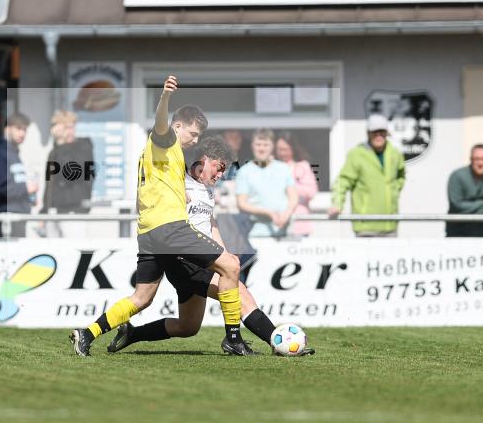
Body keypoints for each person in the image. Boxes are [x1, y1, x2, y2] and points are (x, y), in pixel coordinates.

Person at [69, 75, 248, 356]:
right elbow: (161, 123)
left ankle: (86, 334)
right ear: (178, 126)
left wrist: (181, 193)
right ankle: (234, 339)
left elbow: (152, 187)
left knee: (142, 298)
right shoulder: (165, 140)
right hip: (170, 228)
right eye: (193, 133)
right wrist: (165, 97)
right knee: (232, 265)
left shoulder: (163, 156)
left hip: (149, 231)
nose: (196, 140)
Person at [106, 136, 315, 356]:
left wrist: (224, 254)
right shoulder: (179, 185)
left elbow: (210, 223)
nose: (221, 174)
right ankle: (277, 342)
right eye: (219, 168)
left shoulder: (206, 189)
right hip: (185, 260)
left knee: (188, 326)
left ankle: (132, 334)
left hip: (201, 260)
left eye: (224, 170)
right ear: (204, 160)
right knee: (240, 293)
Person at [328, 114, 406, 237]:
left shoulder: (395, 153)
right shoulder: (357, 154)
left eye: (381, 131)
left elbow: (401, 176)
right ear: (368, 133)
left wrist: (394, 190)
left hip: (391, 225)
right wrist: (337, 204)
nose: (378, 135)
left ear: (387, 133)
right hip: (366, 226)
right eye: (374, 132)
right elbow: (343, 181)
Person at [235, 129, 299, 238]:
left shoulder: (284, 168)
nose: (262, 148)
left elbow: (293, 197)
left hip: (285, 230)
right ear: (252, 146)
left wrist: (287, 214)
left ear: (272, 146)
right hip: (256, 232)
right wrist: (268, 213)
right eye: (258, 144)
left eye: (266, 144)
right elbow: (241, 203)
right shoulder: (244, 171)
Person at [43, 110, 94, 238]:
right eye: (64, 128)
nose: (68, 132)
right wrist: (44, 210)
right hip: (54, 211)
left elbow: (71, 173)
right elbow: (50, 184)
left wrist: (60, 143)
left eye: (71, 127)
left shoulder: (84, 146)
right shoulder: (55, 151)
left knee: (74, 251)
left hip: (74, 210)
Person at [0, 113, 37, 238]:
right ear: (7, 128)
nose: (22, 133)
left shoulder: (14, 153)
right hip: (7, 216)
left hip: (17, 215)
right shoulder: (2, 153)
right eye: (18, 128)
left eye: (25, 130)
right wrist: (25, 189)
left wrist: (29, 196)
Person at [445, 144, 483, 237]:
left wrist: (468, 207)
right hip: (457, 232)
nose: (480, 163)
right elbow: (456, 204)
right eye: (476, 159)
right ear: (471, 159)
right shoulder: (457, 176)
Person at [275, 132, 318, 237]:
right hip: (277, 222)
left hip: (299, 222)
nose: (282, 153)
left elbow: (312, 192)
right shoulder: (272, 167)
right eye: (279, 149)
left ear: (293, 148)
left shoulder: (302, 166)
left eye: (285, 149)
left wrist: (290, 187)